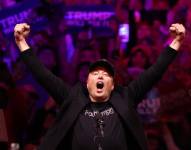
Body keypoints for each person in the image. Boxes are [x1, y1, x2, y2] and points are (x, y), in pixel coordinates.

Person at [13, 22, 185, 150]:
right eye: (95, 74)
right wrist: (22, 43)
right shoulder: (72, 96)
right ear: (87, 83)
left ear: (112, 85)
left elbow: (154, 72)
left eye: (105, 74)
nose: (100, 76)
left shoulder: (126, 96)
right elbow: (43, 74)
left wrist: (176, 42)